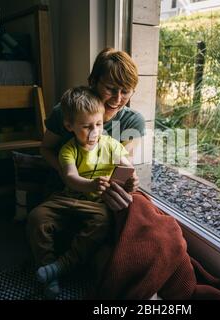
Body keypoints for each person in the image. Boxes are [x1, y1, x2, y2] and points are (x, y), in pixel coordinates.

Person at [27, 48, 145, 297]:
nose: (118, 98)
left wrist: (128, 184)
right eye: (111, 88)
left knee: (117, 249)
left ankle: (62, 266)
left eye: (126, 90)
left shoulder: (133, 122)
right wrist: (67, 175)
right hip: (63, 191)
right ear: (93, 82)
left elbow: (123, 166)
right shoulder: (66, 111)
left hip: (100, 199)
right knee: (39, 221)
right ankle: (52, 268)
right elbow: (45, 149)